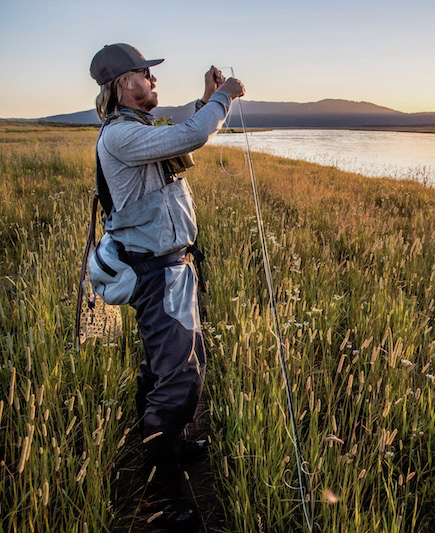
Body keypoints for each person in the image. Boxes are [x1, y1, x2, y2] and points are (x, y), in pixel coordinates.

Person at [89, 43, 245, 529]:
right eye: (144, 74)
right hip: (158, 274)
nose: (153, 81)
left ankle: (170, 447)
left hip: (169, 269)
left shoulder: (137, 131)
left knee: (164, 368)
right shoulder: (118, 137)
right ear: (121, 85)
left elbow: (180, 136)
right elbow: (194, 137)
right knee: (180, 384)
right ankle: (165, 497)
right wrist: (227, 99)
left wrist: (206, 99)